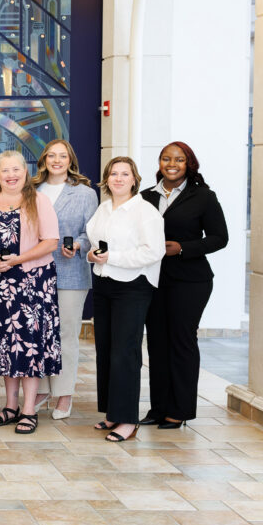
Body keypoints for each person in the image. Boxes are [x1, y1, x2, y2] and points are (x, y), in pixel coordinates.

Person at [0, 151, 60, 435]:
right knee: (7, 348)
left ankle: (29, 409)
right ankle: (10, 406)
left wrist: (16, 260)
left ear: (25, 171)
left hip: (33, 284)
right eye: (5, 171)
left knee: (29, 347)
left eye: (16, 170)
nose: (11, 175)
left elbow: (51, 242)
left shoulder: (39, 201)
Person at [140, 143, 227, 429]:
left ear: (189, 164)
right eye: (167, 158)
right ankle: (159, 407)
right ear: (160, 162)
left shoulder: (203, 196)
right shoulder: (145, 197)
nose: (172, 163)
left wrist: (182, 248)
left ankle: (179, 410)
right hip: (154, 280)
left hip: (191, 281)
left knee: (181, 341)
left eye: (179, 159)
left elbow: (219, 238)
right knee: (156, 343)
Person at [86, 156, 165, 442]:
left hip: (134, 285)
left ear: (134, 179)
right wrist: (91, 255)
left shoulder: (145, 211)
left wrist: (114, 258)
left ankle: (128, 419)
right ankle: (112, 412)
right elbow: (95, 242)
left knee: (125, 352)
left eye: (124, 174)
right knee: (106, 349)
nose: (118, 179)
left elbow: (153, 251)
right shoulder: (104, 208)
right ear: (106, 179)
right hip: (105, 282)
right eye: (113, 174)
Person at [32, 140, 99, 420]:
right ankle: (44, 389)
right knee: (39, 334)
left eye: (62, 156)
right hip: (35, 271)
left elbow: (91, 232)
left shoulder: (84, 193)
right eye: (52, 155)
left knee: (66, 335)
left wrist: (79, 246)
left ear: (70, 160)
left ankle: (64, 393)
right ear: (44, 159)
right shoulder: (32, 189)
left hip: (70, 272)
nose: (56, 160)